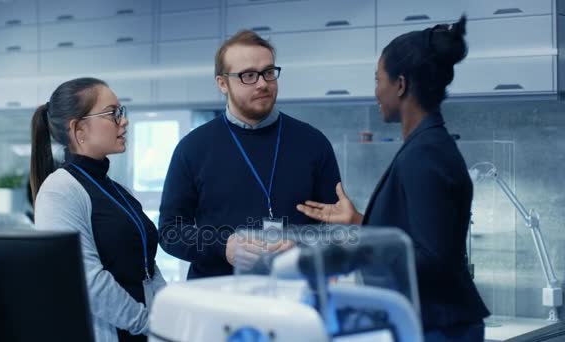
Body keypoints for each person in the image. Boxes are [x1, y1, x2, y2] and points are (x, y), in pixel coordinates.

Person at [296, 16, 489, 341]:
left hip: (439, 326)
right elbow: (416, 238)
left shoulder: (426, 152)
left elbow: (432, 257)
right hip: (432, 320)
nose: (376, 92)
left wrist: (349, 253)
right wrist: (359, 222)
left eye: (378, 80)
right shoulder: (425, 145)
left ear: (400, 85)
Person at [158, 30, 341, 279]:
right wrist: (223, 246)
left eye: (268, 72)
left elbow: (334, 228)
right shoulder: (192, 148)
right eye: (248, 76)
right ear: (222, 83)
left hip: (294, 294)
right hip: (218, 297)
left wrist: (302, 246)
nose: (263, 83)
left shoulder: (313, 142)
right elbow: (170, 232)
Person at [30, 77, 166, 342]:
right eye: (113, 113)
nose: (123, 121)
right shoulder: (60, 190)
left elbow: (148, 266)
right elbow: (87, 281)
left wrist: (168, 313)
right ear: (79, 129)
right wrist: (148, 322)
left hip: (145, 329)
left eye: (121, 112)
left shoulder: (116, 189)